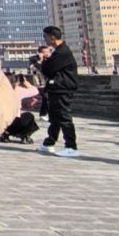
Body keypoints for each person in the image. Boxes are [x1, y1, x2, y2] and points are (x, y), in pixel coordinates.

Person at [38, 26, 80, 157]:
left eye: (45, 36)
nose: (44, 39)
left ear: (52, 37)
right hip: (57, 88)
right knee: (55, 117)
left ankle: (71, 147)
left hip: (62, 88)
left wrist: (42, 60)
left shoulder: (62, 52)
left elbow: (48, 70)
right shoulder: (58, 52)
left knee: (64, 117)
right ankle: (49, 143)